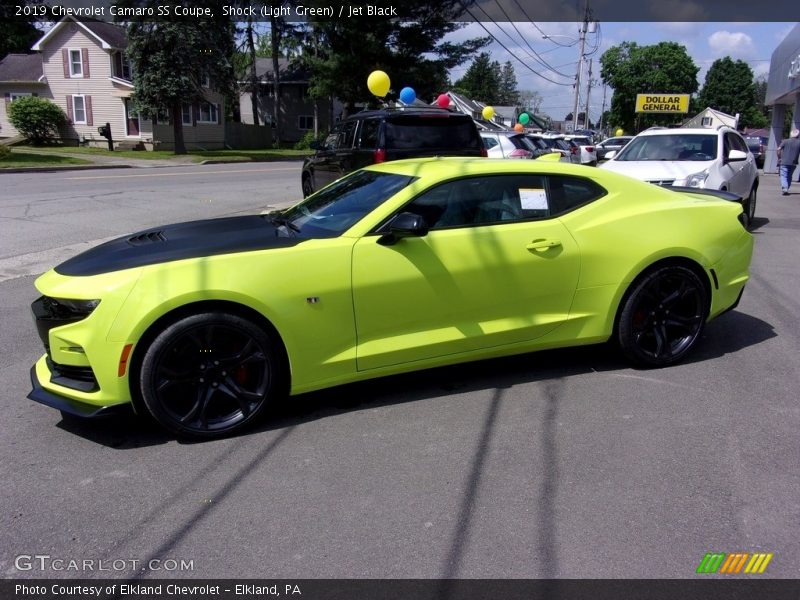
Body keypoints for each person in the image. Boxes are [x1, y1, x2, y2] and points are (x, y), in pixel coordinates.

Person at [777, 128, 800, 195]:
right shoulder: (799, 143)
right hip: (793, 163)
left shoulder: (785, 141)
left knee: (783, 175)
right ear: (798, 135)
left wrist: (779, 158)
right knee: (789, 176)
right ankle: (786, 188)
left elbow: (778, 149)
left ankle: (785, 188)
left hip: (784, 161)